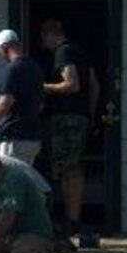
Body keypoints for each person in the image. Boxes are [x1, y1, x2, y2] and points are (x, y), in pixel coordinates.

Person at [39, 19, 99, 238]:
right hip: (80, 117)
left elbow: (72, 84)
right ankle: (72, 220)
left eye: (43, 38)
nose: (43, 44)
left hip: (66, 118)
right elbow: (94, 86)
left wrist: (42, 86)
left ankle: (71, 222)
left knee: (67, 170)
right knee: (71, 167)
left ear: (50, 34)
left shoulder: (63, 53)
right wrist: (88, 114)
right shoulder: (81, 52)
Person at [0, 27, 45, 165]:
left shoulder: (12, 68)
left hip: (15, 139)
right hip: (33, 137)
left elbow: (6, 100)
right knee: (25, 180)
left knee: (10, 180)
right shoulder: (35, 67)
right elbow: (40, 104)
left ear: (5, 47)